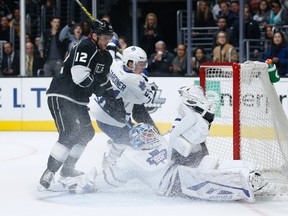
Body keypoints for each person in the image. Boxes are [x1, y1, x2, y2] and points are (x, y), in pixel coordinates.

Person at [55, 85, 266, 203]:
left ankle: (244, 169)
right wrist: (83, 182)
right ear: (136, 142)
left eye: (149, 133)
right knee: (197, 175)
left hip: (179, 169)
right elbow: (108, 178)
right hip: (171, 184)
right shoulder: (130, 159)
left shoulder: (160, 142)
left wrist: (185, 119)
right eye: (144, 136)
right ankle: (239, 184)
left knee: (205, 158)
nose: (149, 136)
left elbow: (175, 135)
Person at [38, 19, 126, 190]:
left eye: (109, 37)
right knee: (70, 132)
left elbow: (104, 83)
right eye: (104, 37)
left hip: (78, 100)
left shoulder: (106, 56)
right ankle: (49, 172)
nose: (107, 40)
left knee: (86, 132)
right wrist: (99, 90)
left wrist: (115, 101)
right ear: (94, 36)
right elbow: (80, 77)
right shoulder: (85, 46)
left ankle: (68, 170)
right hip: (62, 94)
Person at [89, 46, 155, 169]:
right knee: (141, 144)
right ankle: (113, 169)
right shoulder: (134, 79)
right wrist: (145, 79)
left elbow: (110, 53)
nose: (142, 67)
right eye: (139, 64)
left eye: (143, 64)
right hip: (113, 120)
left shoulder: (115, 65)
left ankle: (108, 163)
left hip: (101, 112)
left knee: (121, 141)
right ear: (130, 63)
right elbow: (148, 97)